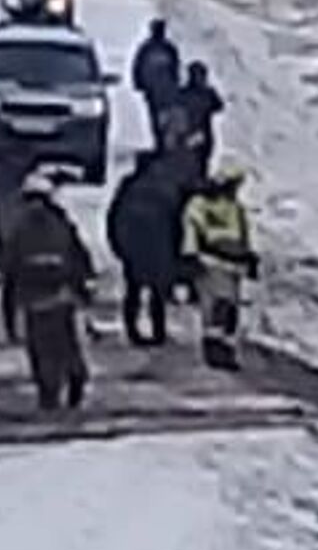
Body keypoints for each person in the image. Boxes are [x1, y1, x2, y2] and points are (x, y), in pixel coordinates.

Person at [1, 172, 95, 410]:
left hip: (34, 300)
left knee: (42, 349)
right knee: (66, 343)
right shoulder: (61, 223)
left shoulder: (19, 228)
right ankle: (75, 377)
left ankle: (49, 391)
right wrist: (84, 288)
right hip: (61, 296)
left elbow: (7, 260)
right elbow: (78, 256)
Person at [182, 162, 258, 371]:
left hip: (233, 265)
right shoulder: (199, 205)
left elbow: (243, 234)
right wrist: (191, 256)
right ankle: (214, 349)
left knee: (230, 310)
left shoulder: (235, 207)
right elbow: (192, 230)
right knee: (215, 307)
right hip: (210, 261)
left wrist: (249, 257)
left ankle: (226, 347)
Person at [106, 152, 182, 348]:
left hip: (134, 250)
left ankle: (133, 330)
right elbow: (175, 222)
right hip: (157, 249)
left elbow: (114, 218)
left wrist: (118, 246)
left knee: (134, 291)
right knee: (157, 292)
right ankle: (158, 331)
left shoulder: (128, 189)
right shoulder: (165, 190)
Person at [0, 152, 34, 341]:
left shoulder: (0, 190)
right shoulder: (11, 192)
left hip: (13, 243)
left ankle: (15, 330)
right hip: (18, 244)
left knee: (14, 286)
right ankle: (17, 330)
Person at [130, 20, 183, 148]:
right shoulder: (147, 48)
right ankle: (158, 140)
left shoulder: (168, 48)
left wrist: (175, 84)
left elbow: (175, 67)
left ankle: (164, 141)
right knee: (155, 116)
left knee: (164, 116)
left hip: (166, 90)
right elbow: (137, 66)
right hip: (153, 90)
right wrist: (139, 84)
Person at [176, 63, 225, 181]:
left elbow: (219, 106)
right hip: (196, 132)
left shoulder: (185, 93)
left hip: (194, 132)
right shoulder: (205, 93)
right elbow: (218, 106)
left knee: (198, 160)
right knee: (198, 161)